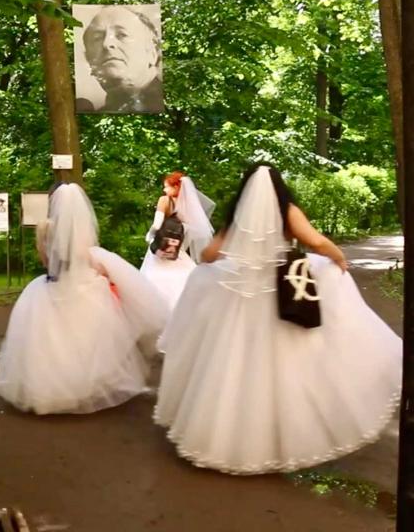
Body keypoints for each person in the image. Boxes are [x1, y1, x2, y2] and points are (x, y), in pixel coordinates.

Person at [154, 164, 401, 475]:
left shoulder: (237, 216)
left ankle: (230, 438)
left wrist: (229, 263)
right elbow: (316, 241)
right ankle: (284, 436)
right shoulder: (287, 211)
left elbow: (209, 254)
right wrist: (337, 258)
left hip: (239, 302)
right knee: (285, 372)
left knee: (235, 369)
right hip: (282, 296)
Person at [0, 183, 169, 415]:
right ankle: (85, 389)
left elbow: (45, 261)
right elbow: (88, 258)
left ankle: (47, 392)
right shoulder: (81, 231)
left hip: (53, 286)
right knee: (88, 341)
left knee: (49, 342)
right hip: (82, 286)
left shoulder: (44, 228)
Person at [141, 172, 214, 310]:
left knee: (154, 280)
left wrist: (150, 236)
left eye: (167, 187)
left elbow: (157, 225)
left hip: (161, 247)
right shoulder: (188, 206)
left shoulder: (164, 200)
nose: (164, 190)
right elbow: (191, 231)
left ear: (176, 187)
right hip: (177, 251)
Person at [77, 6, 164, 114]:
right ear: (88, 59)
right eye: (97, 38)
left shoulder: (171, 103)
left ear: (152, 53)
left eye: (122, 35)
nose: (107, 44)